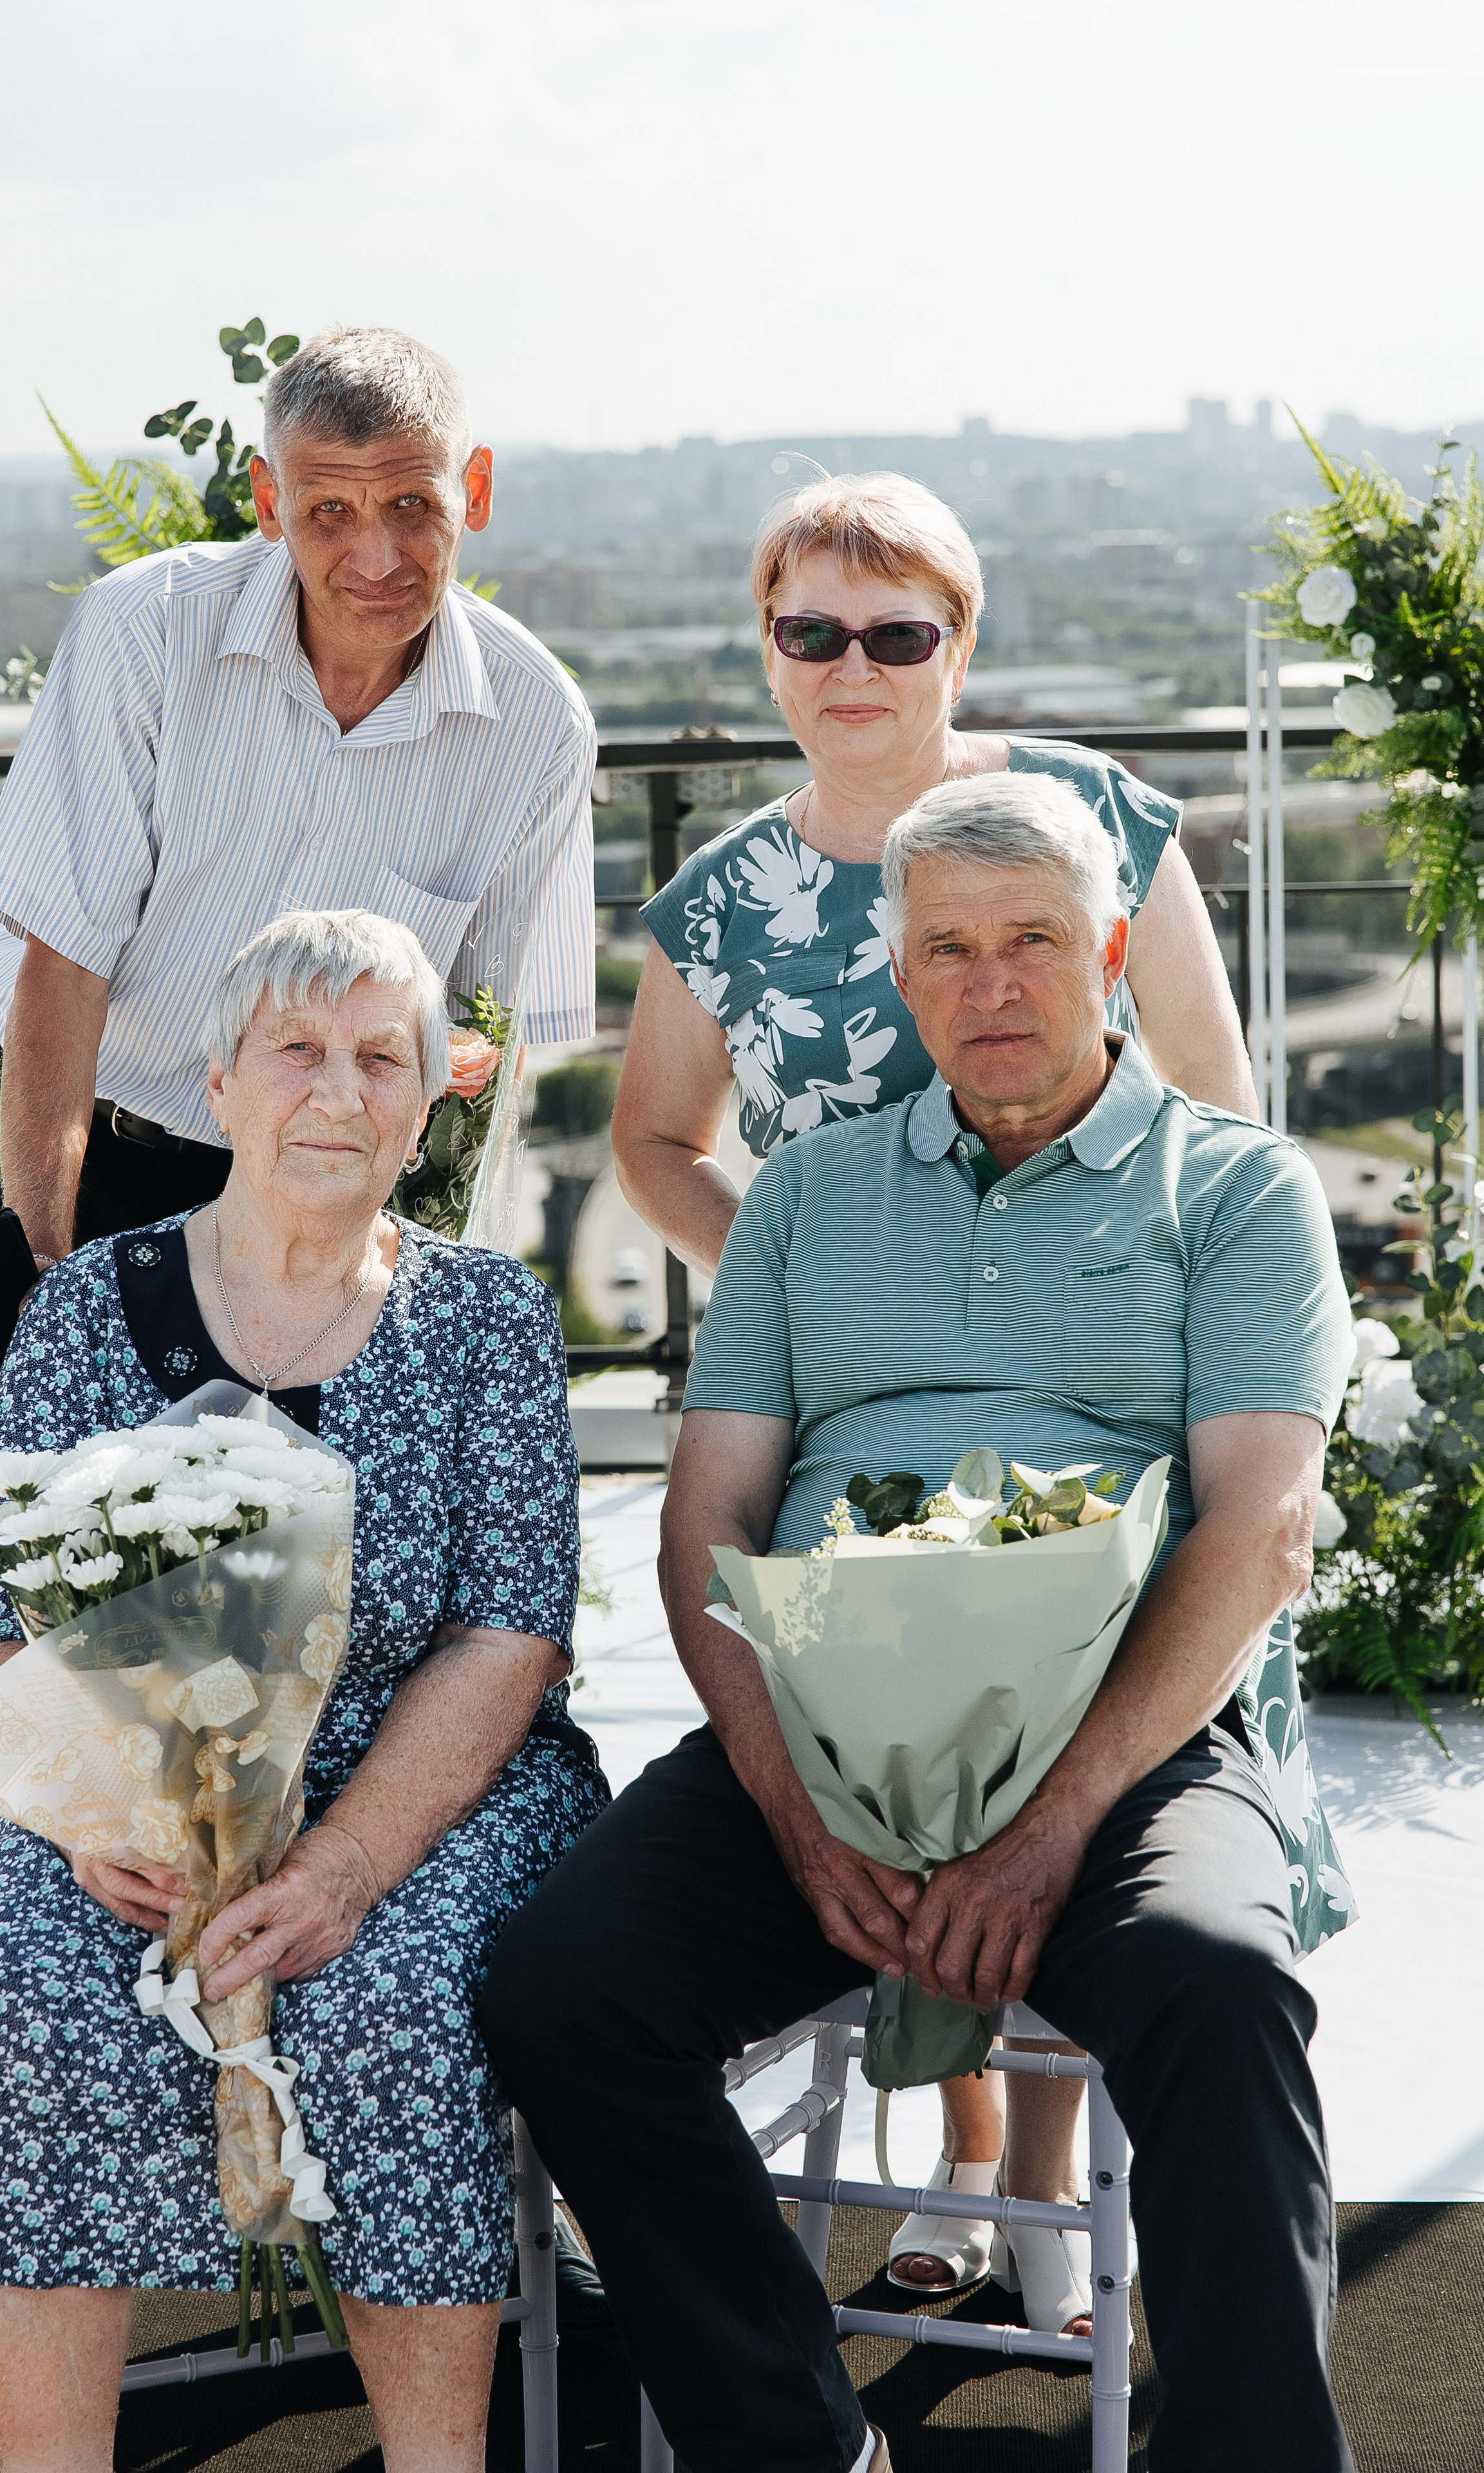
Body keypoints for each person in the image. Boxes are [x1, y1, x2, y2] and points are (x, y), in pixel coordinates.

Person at [482, 772, 1357, 2473]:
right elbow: (707, 1517)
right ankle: (799, 2446)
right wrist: (792, 1808)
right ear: (899, 976)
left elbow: (1259, 1533)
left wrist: (1048, 1834)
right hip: (824, 1741)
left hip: (1132, 1746)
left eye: (1034, 940)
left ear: (1111, 951)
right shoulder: (807, 1195)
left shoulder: (1240, 1189)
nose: (992, 983)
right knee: (563, 1986)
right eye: (948, 948)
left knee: (1218, 1982)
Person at [610, 470, 1266, 2306]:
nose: (852, 665)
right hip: (856, 1409)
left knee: (1066, 1669)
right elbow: (653, 1138)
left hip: (1100, 1380)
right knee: (895, 1696)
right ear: (765, 648)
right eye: (810, 629)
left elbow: (1216, 1104)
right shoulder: (721, 904)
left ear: (958, 646)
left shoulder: (1094, 823)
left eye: (896, 631)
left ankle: (1038, 2158)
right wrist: (800, 1284)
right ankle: (965, 2139)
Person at [0, 909, 608, 2473]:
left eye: (382, 1059)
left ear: (431, 1100)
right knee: (24, 1993)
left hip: (431, 1792)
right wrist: (99, 1820)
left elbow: (508, 1636)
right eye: (296, 1051)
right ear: (220, 1082)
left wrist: (340, 1865)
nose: (338, 1092)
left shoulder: (484, 1319)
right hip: (132, 1802)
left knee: (390, 2002)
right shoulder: (85, 1311)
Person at [0, 323, 596, 1405]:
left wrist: (439, 1291)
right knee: (67, 1512)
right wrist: (40, 1264)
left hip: (318, 1198)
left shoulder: (540, 725)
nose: (377, 558)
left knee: (302, 1519)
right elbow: (65, 965)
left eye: (412, 505)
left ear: (473, 489)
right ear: (268, 498)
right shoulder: (144, 630)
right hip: (71, 1144)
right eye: (330, 511)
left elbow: (484, 1043)